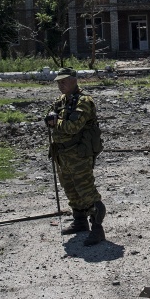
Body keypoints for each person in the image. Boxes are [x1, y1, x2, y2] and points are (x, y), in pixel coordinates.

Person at [45, 67, 106, 246]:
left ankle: (97, 229)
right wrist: (52, 121)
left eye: (64, 81)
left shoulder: (84, 101)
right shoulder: (60, 101)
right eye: (58, 82)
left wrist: (56, 122)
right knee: (70, 188)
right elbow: (48, 118)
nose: (60, 85)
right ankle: (80, 221)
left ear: (74, 80)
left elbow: (73, 127)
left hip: (79, 154)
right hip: (62, 153)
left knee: (86, 191)